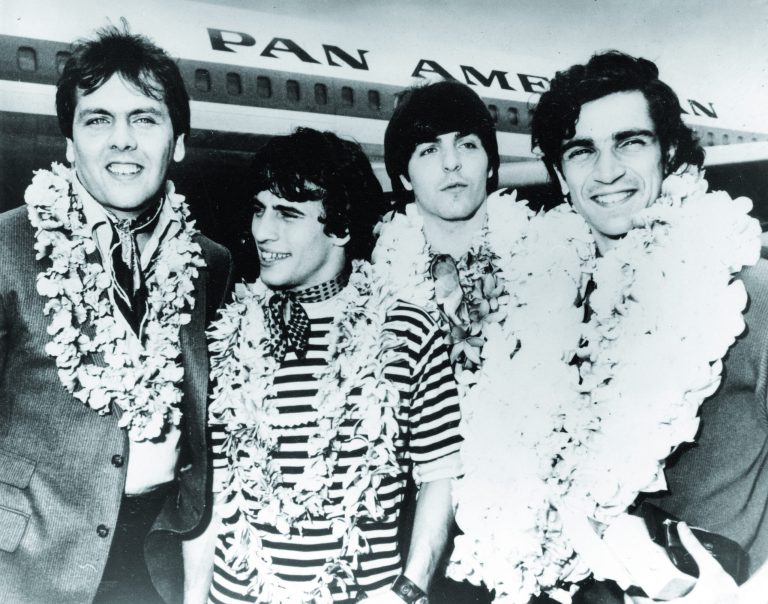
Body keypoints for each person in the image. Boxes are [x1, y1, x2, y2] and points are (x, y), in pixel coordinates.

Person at [0, 26, 232, 603]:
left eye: (145, 118)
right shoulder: (7, 248)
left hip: (157, 560)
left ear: (178, 141)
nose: (122, 140)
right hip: (29, 566)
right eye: (97, 119)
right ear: (70, 143)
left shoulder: (211, 265)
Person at [529, 50, 768, 603]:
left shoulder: (748, 293)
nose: (607, 170)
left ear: (672, 155)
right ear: (561, 178)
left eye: (630, 142)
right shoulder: (544, 310)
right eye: (582, 151)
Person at [188, 127, 462, 604]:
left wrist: (407, 592)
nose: (262, 232)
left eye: (288, 214)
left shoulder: (405, 329)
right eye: (259, 209)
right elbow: (208, 494)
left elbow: (440, 472)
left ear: (341, 227)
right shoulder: (226, 332)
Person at [374, 80, 534, 603]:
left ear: (490, 162)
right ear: (402, 174)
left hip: (527, 523)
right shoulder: (370, 284)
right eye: (428, 150)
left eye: (466, 144)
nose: (451, 164)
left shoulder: (554, 262)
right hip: (406, 536)